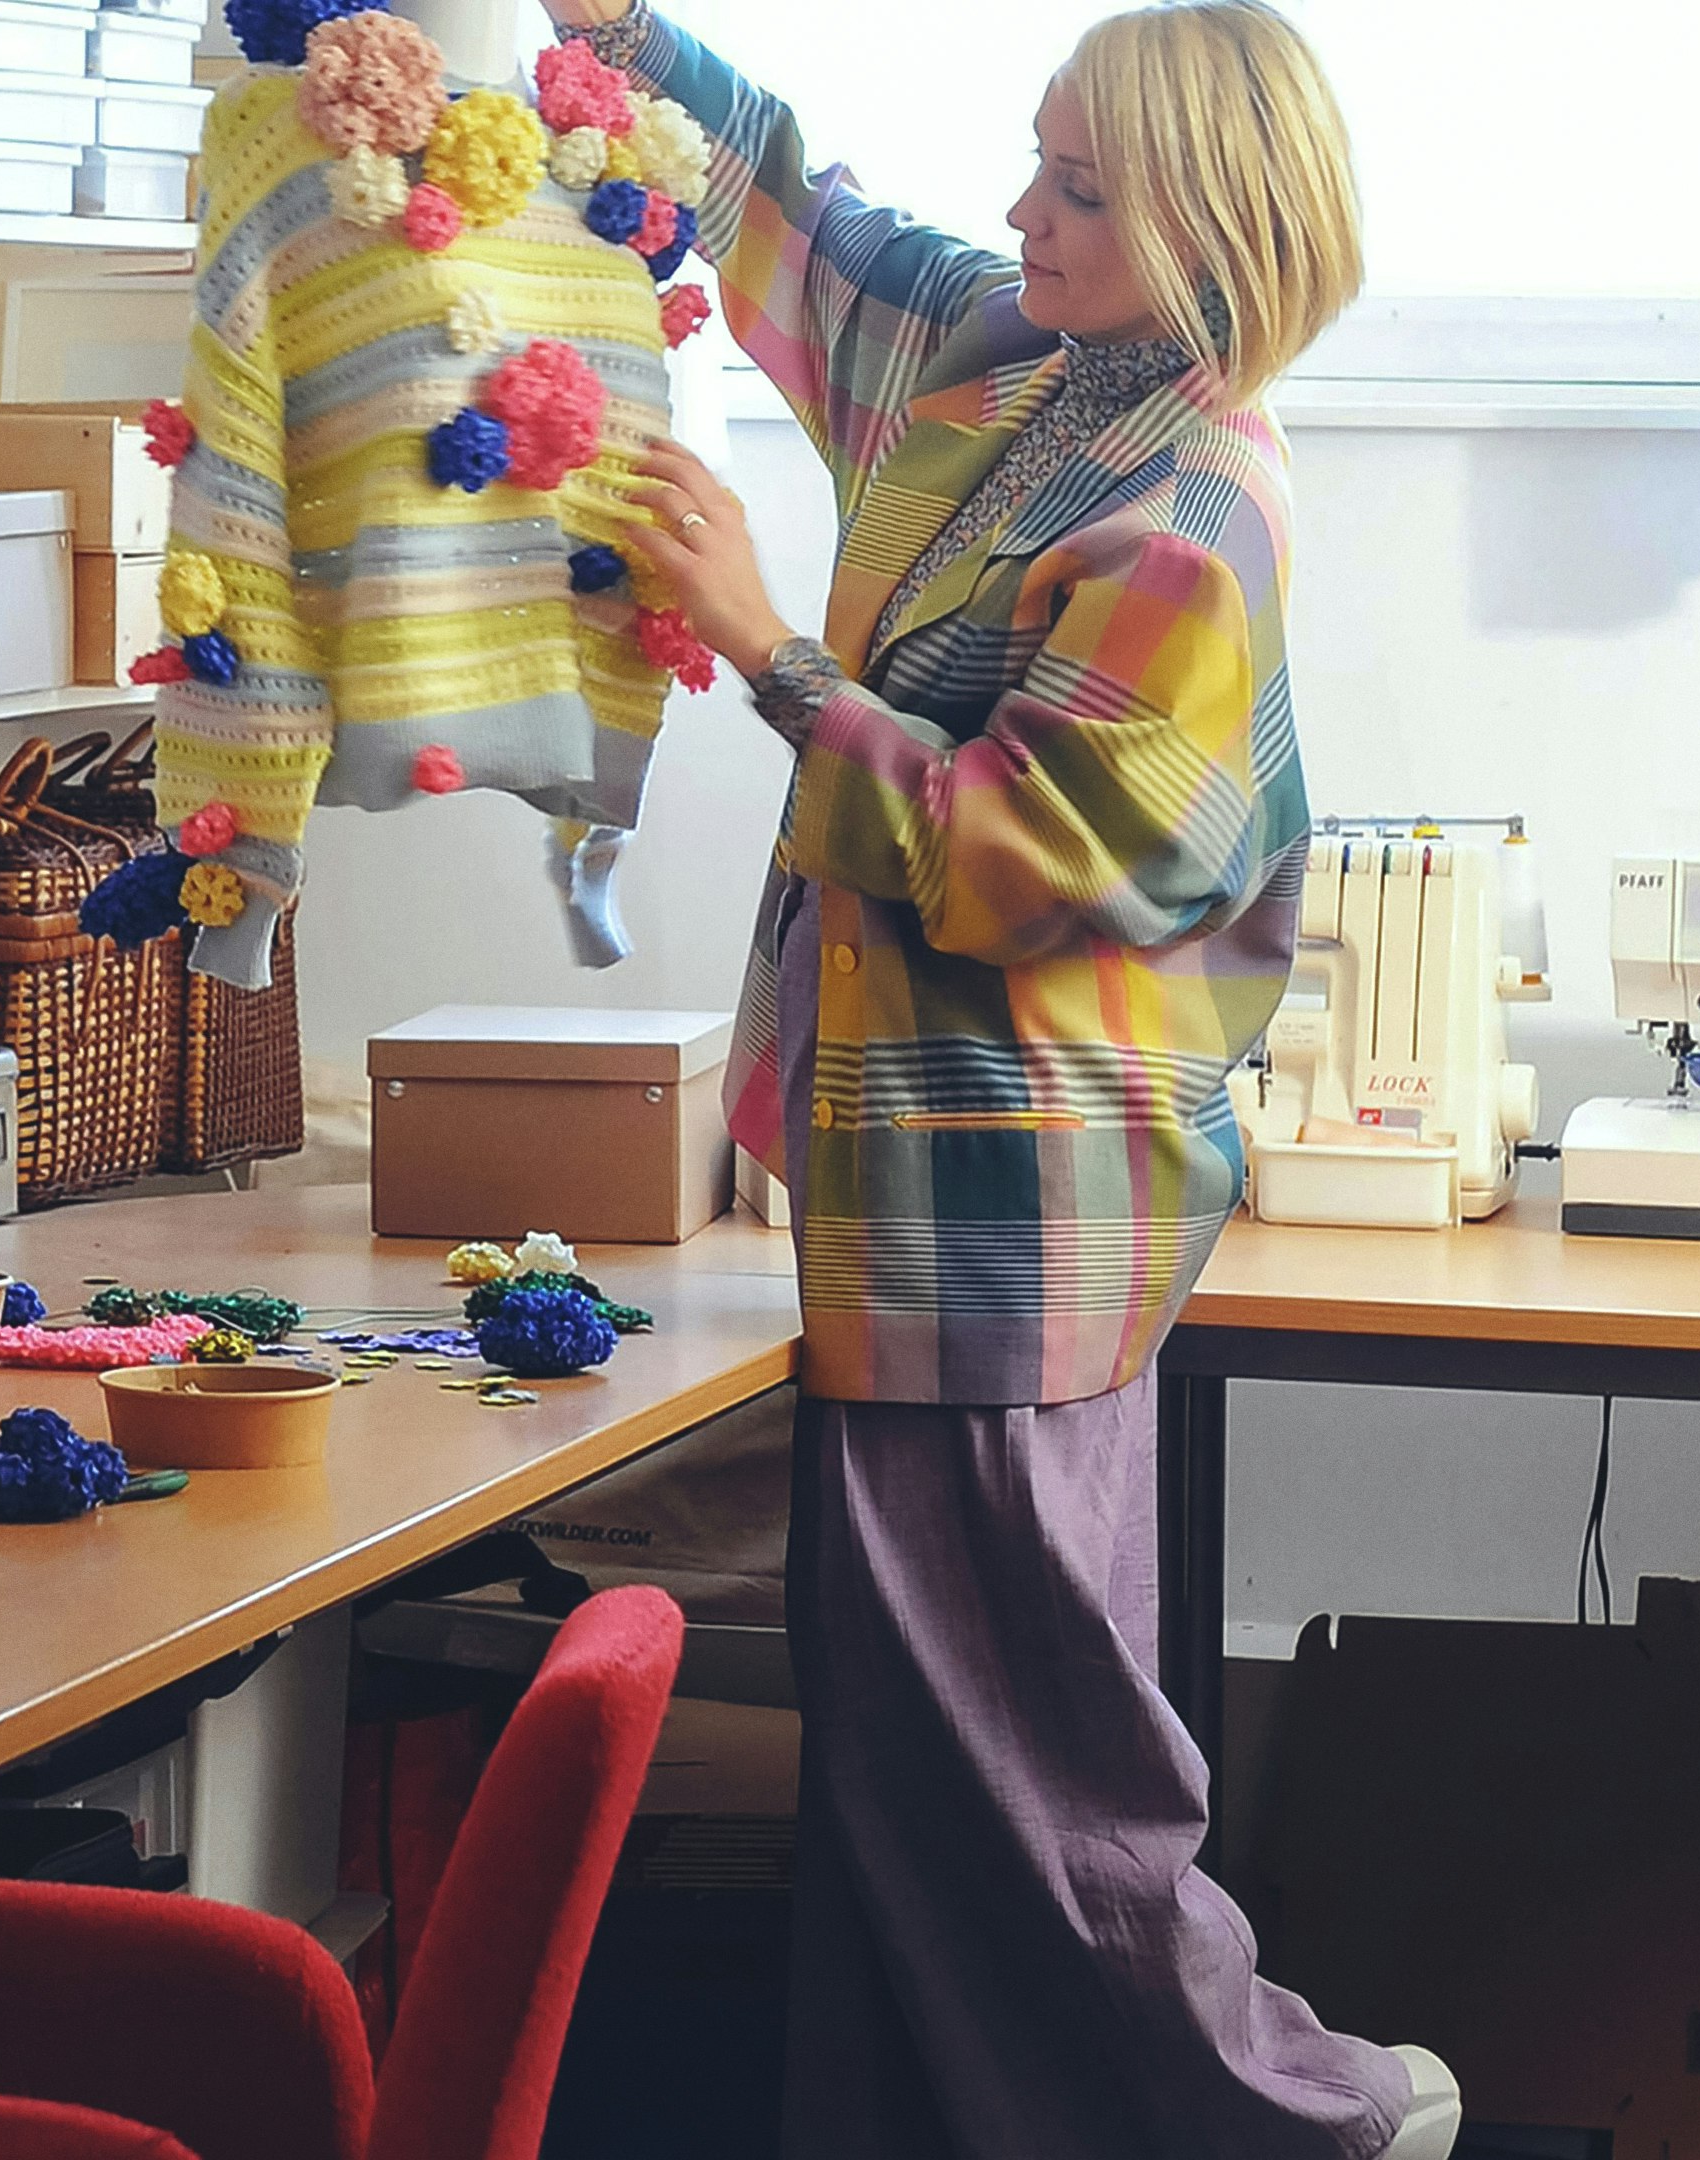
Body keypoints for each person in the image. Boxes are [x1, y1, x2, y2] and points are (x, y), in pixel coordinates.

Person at [568, 3, 1462, 2155]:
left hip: (1017, 1205)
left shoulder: (1190, 514)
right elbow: (805, 209)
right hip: (928, 1188)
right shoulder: (1023, 366)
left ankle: (1313, 2122)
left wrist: (767, 649)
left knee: (1029, 1786)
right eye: (1038, 161)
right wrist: (612, 33)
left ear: (1211, 229)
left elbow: (1017, 855)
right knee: (912, 1770)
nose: (1023, 211)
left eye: (1080, 187)